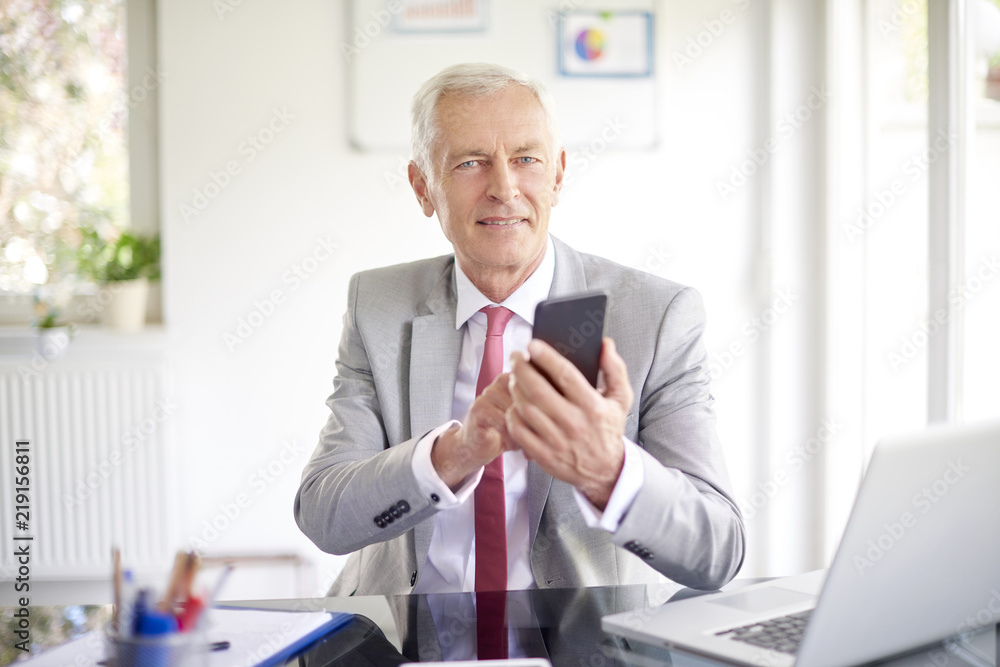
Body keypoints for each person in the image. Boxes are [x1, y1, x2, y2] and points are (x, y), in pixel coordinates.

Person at [294, 63, 745, 598]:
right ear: (422, 187)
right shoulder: (377, 305)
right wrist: (455, 454)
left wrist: (607, 469)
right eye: (470, 162)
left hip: (581, 638)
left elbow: (717, 551)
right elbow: (323, 514)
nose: (504, 188)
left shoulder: (657, 315)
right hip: (405, 633)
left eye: (526, 159)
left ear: (557, 175)